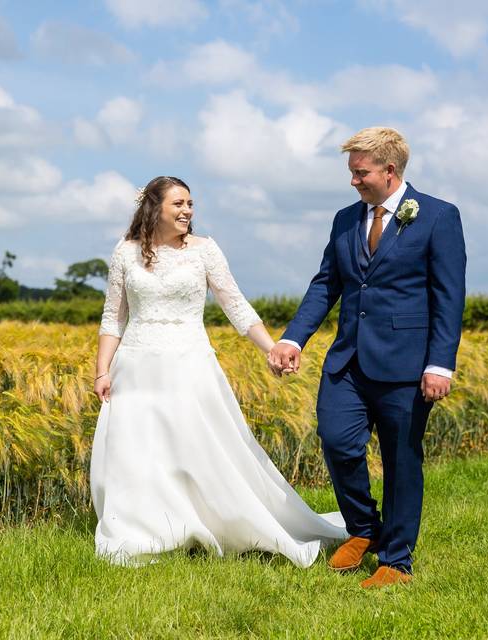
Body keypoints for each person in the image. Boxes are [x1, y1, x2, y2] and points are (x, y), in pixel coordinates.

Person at [90, 175, 347, 567]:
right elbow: (114, 316)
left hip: (190, 364)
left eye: (190, 204)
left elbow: (236, 306)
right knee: (140, 454)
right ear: (154, 207)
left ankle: (216, 522)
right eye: (178, 204)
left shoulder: (205, 250)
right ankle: (150, 528)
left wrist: (272, 348)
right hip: (137, 366)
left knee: (198, 448)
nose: (187, 211)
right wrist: (102, 370)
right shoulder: (125, 253)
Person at [268, 127, 467, 589]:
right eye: (352, 172)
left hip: (407, 365)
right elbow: (326, 285)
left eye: (361, 173)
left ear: (390, 170)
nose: (353, 182)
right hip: (347, 362)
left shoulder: (438, 216)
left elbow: (449, 296)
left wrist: (440, 364)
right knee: (337, 440)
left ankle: (396, 561)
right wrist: (293, 339)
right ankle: (363, 529)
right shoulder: (344, 219)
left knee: (401, 460)